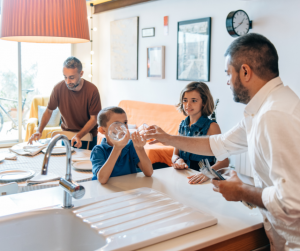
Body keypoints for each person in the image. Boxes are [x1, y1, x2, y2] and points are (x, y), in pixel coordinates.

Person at [144, 33, 300, 250]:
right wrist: (166, 138)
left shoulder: (274, 114)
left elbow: (293, 200)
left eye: (228, 73)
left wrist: (241, 191)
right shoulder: (263, 109)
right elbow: (217, 144)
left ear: (245, 71)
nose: (227, 81)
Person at [28, 57, 101, 150]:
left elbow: (94, 119)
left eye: (71, 77)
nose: (67, 81)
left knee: (87, 164)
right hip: (67, 136)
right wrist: (39, 130)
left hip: (88, 136)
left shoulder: (92, 90)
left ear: (81, 73)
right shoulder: (58, 88)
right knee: (64, 163)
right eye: (65, 77)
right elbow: (49, 111)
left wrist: (78, 136)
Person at [172, 82, 229, 184]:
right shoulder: (182, 125)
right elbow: (174, 155)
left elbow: (224, 161)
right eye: (185, 100)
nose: (188, 105)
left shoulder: (212, 127)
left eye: (194, 101)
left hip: (204, 181)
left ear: (204, 102)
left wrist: (207, 173)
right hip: (183, 178)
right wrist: (177, 161)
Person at [91, 106, 153, 184]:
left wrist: (140, 149)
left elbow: (149, 173)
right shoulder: (98, 150)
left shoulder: (130, 145)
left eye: (125, 123)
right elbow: (102, 180)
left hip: (127, 190)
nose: (122, 127)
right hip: (105, 192)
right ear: (102, 130)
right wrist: (117, 148)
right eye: (116, 124)